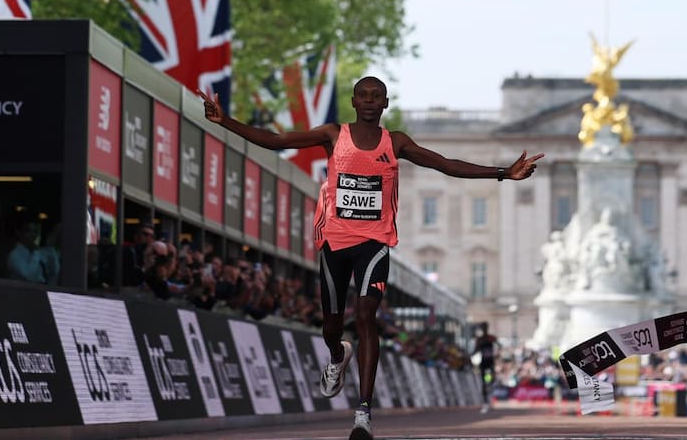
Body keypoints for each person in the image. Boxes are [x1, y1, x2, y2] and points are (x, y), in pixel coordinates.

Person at [200, 76, 542, 440]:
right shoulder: (333, 135)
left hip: (375, 242)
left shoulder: (396, 142)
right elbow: (277, 141)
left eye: (375, 96)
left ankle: (363, 412)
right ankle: (337, 355)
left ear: (385, 103)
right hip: (334, 242)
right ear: (353, 101)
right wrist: (225, 121)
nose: (368, 100)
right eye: (362, 95)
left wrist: (503, 173)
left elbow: (444, 164)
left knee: (366, 316)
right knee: (332, 326)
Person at [473, 322, 500, 413]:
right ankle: (485, 402)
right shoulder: (479, 340)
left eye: (485, 327)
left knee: (491, 378)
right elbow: (475, 350)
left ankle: (489, 384)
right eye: (483, 327)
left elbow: (498, 345)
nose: (484, 329)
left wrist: (497, 353)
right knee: (484, 382)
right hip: (483, 363)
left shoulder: (491, 337)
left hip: (490, 362)